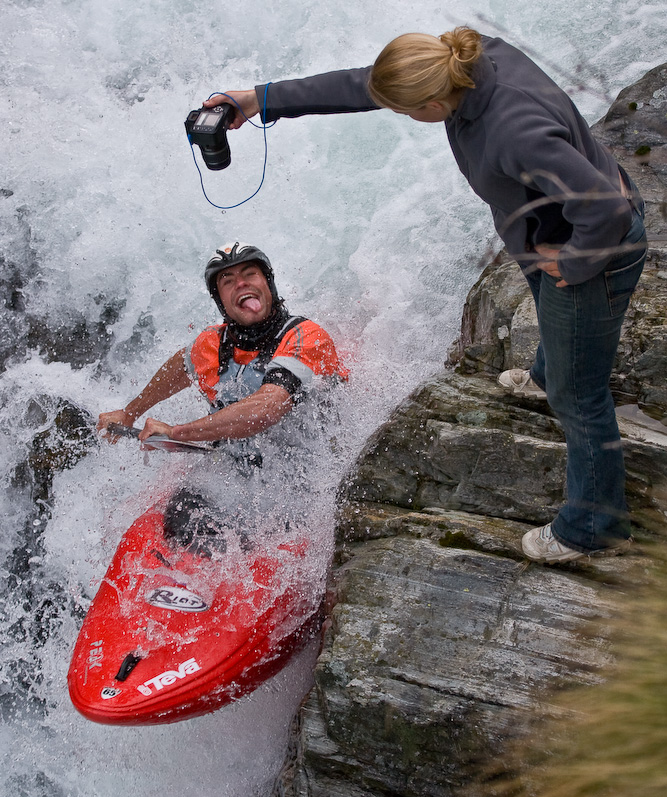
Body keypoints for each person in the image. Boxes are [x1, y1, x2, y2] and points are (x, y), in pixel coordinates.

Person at [208, 27, 648, 563]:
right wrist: (260, 99)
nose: (400, 115)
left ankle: (594, 526)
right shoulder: (460, 60)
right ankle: (546, 372)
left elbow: (607, 210)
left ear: (437, 103)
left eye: (407, 111)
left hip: (595, 251)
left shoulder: (514, 131)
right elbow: (362, 86)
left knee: (581, 399)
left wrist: (574, 260)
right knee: (554, 330)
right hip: (544, 227)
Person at [98, 241, 348, 452]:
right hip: (241, 468)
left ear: (268, 284)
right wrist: (129, 413)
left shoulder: (307, 337)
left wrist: (178, 432)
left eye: (250, 274)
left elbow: (266, 409)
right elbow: (180, 368)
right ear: (221, 302)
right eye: (228, 281)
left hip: (311, 465)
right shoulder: (212, 343)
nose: (240, 284)